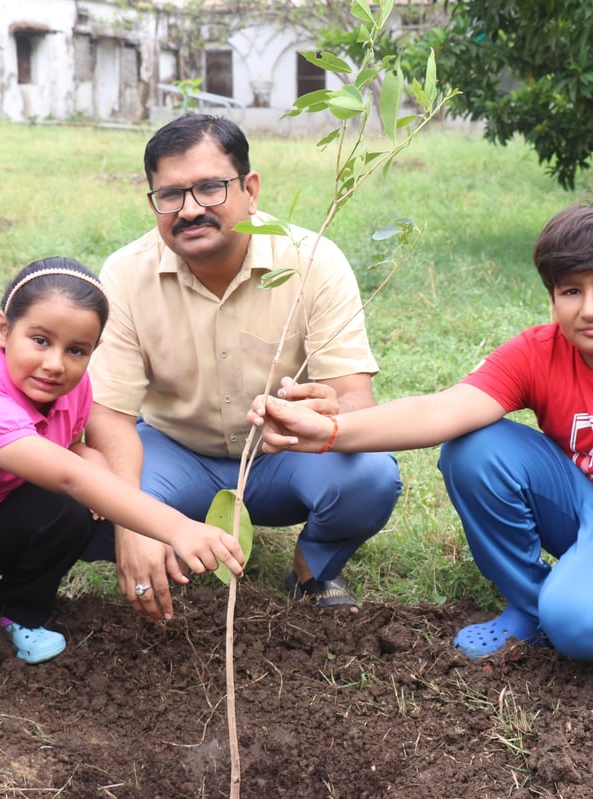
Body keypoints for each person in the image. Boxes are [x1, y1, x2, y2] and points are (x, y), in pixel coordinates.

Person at [249, 201, 593, 751]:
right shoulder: (540, 351)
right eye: (570, 291)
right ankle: (532, 607)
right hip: (581, 503)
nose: (589, 309)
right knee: (474, 446)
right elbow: (441, 412)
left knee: (580, 625)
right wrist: (327, 432)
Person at [0, 257, 244, 686]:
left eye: (76, 350)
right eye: (39, 340)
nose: (55, 364)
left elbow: (68, 453)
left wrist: (93, 459)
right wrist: (176, 527)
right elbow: (69, 474)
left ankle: (12, 612)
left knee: (69, 510)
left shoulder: (72, 389)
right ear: (2, 329)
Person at [85, 114, 402, 620]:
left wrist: (330, 417)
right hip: (174, 453)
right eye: (170, 195)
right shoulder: (125, 275)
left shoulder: (313, 261)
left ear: (250, 189)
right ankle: (167, 543)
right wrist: (133, 522)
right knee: (88, 499)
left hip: (283, 455)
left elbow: (355, 400)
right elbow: (108, 416)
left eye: (210, 188)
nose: (189, 210)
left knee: (369, 476)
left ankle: (312, 567)